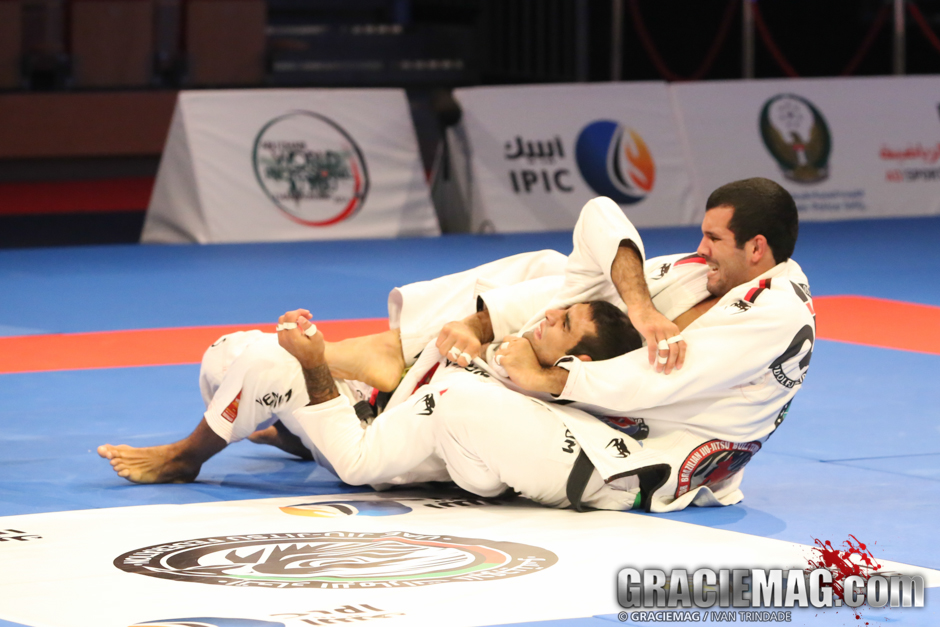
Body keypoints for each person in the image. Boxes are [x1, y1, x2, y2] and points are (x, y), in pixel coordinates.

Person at [97, 299, 642, 508]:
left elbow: (363, 461)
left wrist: (316, 364)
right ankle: (295, 436)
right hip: (379, 402)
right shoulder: (516, 346)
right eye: (563, 309)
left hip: (370, 449)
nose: (551, 315)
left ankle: (185, 458)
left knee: (265, 361)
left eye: (564, 323)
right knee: (225, 353)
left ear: (576, 364)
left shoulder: (508, 409)